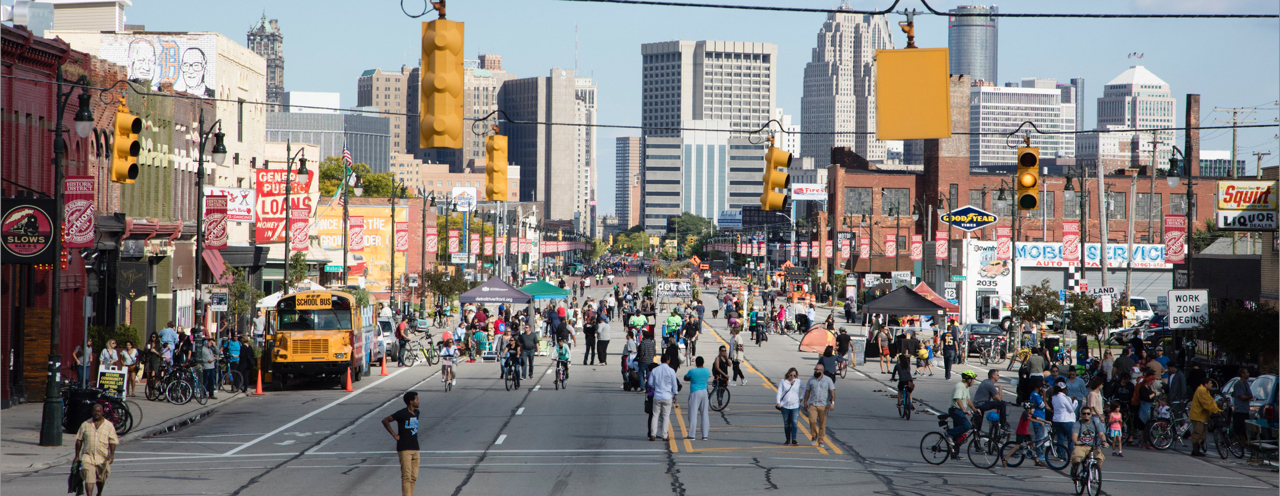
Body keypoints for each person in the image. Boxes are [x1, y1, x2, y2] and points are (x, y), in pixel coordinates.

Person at [74, 403, 118, 496]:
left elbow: (112, 441)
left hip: (102, 457)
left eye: (98, 411)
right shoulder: (85, 424)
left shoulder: (109, 425)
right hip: (88, 456)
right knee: (89, 478)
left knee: (101, 479)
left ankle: (99, 493)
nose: (96, 413)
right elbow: (79, 440)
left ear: (102, 412)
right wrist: (77, 456)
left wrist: (112, 455)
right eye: (94, 411)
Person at [382, 391, 421, 496]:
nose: (418, 401)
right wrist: (394, 435)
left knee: (413, 477)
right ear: (411, 402)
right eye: (416, 399)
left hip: (415, 448)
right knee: (406, 476)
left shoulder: (417, 413)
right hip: (404, 448)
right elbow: (385, 420)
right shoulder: (401, 413)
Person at [1069, 406, 1108, 480]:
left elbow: (1101, 434)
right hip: (1081, 446)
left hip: (1092, 447)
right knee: (1076, 459)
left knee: (1099, 458)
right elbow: (1074, 435)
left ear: (1091, 414)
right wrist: (1076, 441)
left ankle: (1096, 475)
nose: (1086, 415)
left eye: (1088, 413)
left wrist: (1104, 441)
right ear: (1081, 414)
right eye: (1084, 413)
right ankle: (1074, 468)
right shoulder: (1077, 424)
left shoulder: (1095, 423)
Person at [803, 363, 835, 448]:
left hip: (824, 405)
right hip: (813, 404)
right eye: (815, 369)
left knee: (822, 424)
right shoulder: (811, 380)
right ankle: (814, 436)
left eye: (817, 370)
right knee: (812, 421)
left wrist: (832, 403)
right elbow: (807, 391)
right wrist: (805, 402)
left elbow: (832, 391)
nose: (815, 371)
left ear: (822, 371)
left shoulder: (828, 380)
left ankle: (821, 441)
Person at [649, 354, 679, 442]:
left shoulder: (655, 370)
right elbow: (674, 384)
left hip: (657, 395)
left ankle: (653, 434)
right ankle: (665, 435)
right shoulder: (671, 371)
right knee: (666, 416)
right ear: (668, 360)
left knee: (655, 415)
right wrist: (675, 394)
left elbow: (650, 383)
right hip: (667, 395)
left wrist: (656, 386)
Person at [1188, 376, 1221, 457]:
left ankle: (1197, 450)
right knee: (1198, 433)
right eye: (1210, 383)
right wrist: (1215, 410)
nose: (1211, 385)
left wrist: (1217, 409)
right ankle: (1195, 450)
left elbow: (1210, 401)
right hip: (1198, 416)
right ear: (1205, 384)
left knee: (1202, 434)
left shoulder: (1205, 391)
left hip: (1202, 416)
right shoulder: (1202, 390)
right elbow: (1206, 403)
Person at [949, 371, 979, 453]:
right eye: (973, 379)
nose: (973, 381)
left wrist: (975, 409)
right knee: (967, 426)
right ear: (968, 379)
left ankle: (955, 454)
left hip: (959, 411)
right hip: (955, 410)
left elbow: (968, 400)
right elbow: (957, 399)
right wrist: (964, 410)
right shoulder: (960, 386)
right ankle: (949, 433)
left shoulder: (966, 387)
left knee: (958, 436)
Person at [684, 356, 712, 441]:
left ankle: (692, 435)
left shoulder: (692, 371)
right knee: (704, 414)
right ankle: (705, 435)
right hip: (704, 392)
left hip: (695, 392)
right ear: (703, 362)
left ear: (696, 363)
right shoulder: (707, 371)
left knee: (693, 414)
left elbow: (685, 378)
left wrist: (692, 379)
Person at [971, 369, 1008, 434]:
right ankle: (1003, 424)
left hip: (977, 403)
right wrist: (1000, 390)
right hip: (981, 404)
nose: (999, 376)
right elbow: (999, 399)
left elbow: (994, 398)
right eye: (997, 375)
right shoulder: (990, 384)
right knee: (1002, 404)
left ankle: (976, 441)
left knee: (978, 427)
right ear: (993, 376)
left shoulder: (985, 381)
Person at [776, 367, 804, 446]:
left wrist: (801, 397)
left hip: (795, 405)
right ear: (788, 374)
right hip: (785, 406)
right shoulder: (783, 381)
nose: (792, 377)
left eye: (794, 375)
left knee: (794, 422)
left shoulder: (798, 381)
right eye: (791, 375)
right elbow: (779, 392)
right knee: (786, 423)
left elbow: (804, 388)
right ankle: (787, 439)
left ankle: (794, 439)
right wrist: (778, 402)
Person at [1231, 368, 1254, 448]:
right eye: (1246, 372)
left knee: (1244, 430)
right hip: (1239, 410)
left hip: (1245, 410)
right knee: (1238, 429)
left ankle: (1243, 444)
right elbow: (1242, 397)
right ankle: (1237, 444)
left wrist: (1248, 396)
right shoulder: (1238, 384)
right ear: (1242, 375)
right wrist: (1248, 396)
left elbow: (1251, 395)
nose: (1248, 374)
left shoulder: (1246, 384)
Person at [1051, 382, 1079, 450]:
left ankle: (1061, 455)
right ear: (1064, 389)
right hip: (1066, 420)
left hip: (1056, 420)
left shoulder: (1054, 397)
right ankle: (1070, 454)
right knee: (1071, 438)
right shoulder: (1065, 397)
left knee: (1060, 438)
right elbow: (1071, 409)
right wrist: (1075, 401)